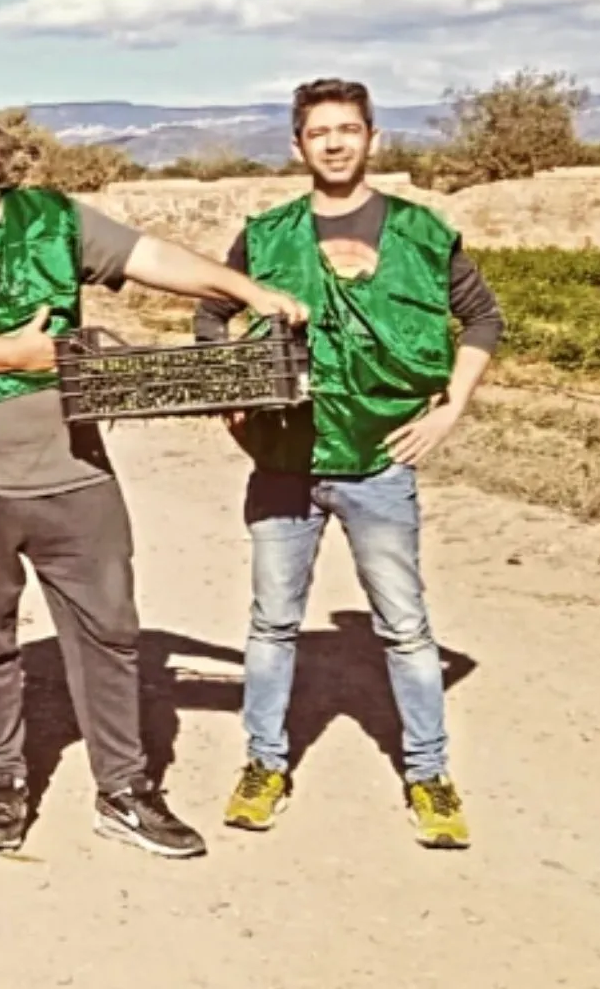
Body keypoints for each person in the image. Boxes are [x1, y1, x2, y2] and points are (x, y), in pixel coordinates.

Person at [0, 94, 308, 859]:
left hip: (72, 470)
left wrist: (245, 291)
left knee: (110, 632)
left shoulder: (53, 220)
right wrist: (22, 354)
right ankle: (3, 780)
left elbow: (150, 257)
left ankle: (125, 790)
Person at [195, 78, 503, 849]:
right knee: (271, 624)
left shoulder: (423, 233)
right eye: (319, 131)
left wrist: (450, 408)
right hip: (284, 462)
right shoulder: (265, 235)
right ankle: (264, 764)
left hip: (379, 464)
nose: (333, 142)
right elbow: (210, 309)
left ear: (372, 139)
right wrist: (228, 386)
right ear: (298, 145)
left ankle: (428, 774)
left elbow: (483, 316)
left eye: (348, 129)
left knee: (404, 626)